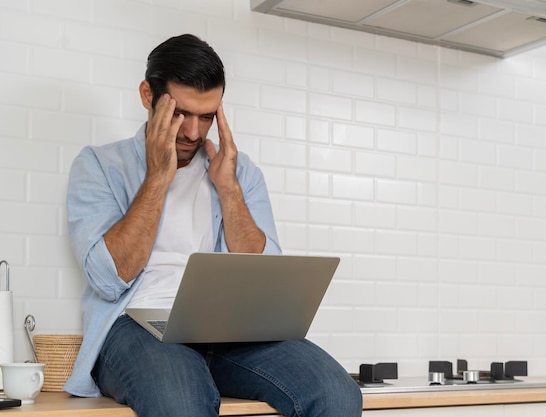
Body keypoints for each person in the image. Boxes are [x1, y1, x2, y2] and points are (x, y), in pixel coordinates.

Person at [64, 33, 363, 417]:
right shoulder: (99, 166)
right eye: (179, 114)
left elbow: (268, 278)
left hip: (229, 331)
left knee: (337, 394)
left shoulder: (239, 173)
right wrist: (157, 178)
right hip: (137, 326)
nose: (192, 132)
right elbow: (108, 279)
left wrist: (229, 189)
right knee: (181, 403)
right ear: (147, 95)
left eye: (206, 117)